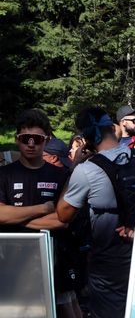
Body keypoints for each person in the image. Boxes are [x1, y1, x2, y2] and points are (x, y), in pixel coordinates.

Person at [56, 107, 135, 318]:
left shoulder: (86, 170)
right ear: (112, 129)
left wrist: (75, 166)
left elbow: (63, 214)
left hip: (106, 261)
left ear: (87, 138)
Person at [0, 109, 81, 318]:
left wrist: (15, 219)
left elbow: (62, 221)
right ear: (17, 140)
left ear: (45, 141)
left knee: (66, 309)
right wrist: (42, 209)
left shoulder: (61, 174)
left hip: (54, 257)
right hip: (12, 260)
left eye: (36, 139)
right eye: (25, 138)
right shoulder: (5, 175)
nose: (31, 144)